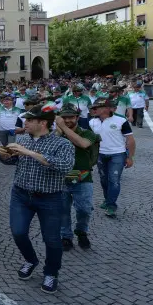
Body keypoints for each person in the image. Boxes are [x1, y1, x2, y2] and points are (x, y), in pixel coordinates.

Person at [0, 104, 74, 294]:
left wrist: (29, 152)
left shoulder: (62, 144)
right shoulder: (22, 138)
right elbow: (14, 161)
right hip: (21, 194)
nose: (26, 123)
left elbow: (64, 166)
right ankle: (31, 260)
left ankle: (51, 272)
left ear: (43, 123)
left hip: (50, 198)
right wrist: (4, 156)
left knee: (52, 239)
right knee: (18, 232)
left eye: (30, 120)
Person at [55, 104, 99, 251]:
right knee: (62, 210)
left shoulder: (87, 133)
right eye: (64, 118)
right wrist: (57, 131)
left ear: (77, 118)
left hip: (83, 178)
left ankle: (81, 231)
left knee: (85, 209)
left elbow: (82, 143)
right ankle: (65, 236)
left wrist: (64, 129)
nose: (67, 120)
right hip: (61, 178)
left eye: (71, 117)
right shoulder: (55, 134)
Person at [89, 98, 135, 218]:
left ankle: (111, 205)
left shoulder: (121, 120)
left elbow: (130, 140)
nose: (94, 110)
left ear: (106, 108)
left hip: (118, 154)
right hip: (100, 155)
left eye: (96, 108)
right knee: (103, 180)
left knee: (114, 180)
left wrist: (130, 157)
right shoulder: (92, 122)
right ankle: (107, 200)